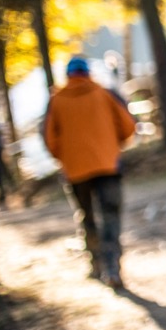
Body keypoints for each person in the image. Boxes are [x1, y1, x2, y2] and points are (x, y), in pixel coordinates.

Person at [43, 56, 136, 289]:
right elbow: (128, 126)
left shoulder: (57, 100)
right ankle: (113, 268)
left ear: (68, 76)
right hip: (108, 165)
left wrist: (66, 157)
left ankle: (96, 264)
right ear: (88, 73)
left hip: (75, 171)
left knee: (87, 216)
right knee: (110, 216)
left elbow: (49, 139)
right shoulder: (104, 93)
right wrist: (112, 145)